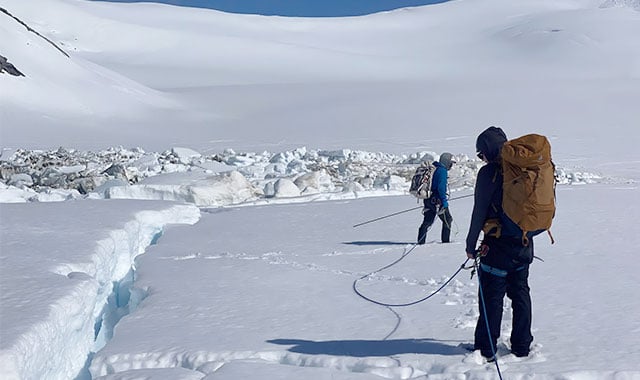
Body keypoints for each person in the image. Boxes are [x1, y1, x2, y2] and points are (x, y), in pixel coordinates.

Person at [465, 126, 534, 360]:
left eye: (480, 153)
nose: (481, 158)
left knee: (492, 297)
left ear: (488, 150)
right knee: (520, 293)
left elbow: (479, 212)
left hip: (496, 247)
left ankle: (486, 347)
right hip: (524, 244)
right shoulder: (524, 170)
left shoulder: (488, 174)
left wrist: (470, 243)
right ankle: (522, 345)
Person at [417, 152, 455, 245]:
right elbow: (441, 188)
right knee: (448, 220)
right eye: (451, 163)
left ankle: (420, 242)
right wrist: (444, 202)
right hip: (438, 200)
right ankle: (445, 243)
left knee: (428, 221)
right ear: (446, 162)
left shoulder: (434, 168)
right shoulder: (442, 171)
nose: (451, 166)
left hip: (428, 198)